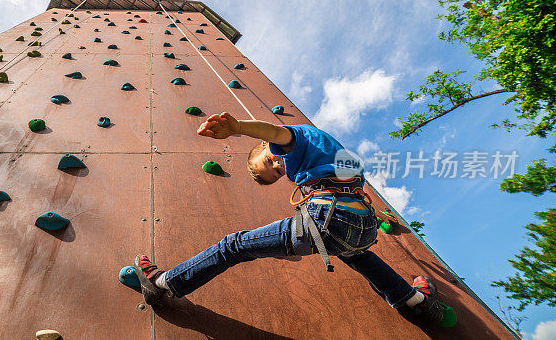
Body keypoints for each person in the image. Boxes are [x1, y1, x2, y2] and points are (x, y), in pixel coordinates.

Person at [133, 112, 444, 325]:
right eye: (276, 172)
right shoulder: (329, 151)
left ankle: (162, 283)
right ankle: (413, 300)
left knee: (233, 246)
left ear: (269, 149)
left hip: (329, 218)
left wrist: (238, 127)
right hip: (362, 225)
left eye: (271, 160)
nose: (279, 166)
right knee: (357, 255)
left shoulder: (295, 139)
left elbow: (274, 132)